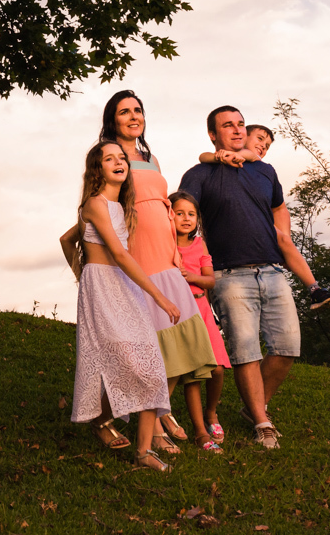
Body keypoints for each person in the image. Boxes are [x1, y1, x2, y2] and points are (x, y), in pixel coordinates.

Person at [96, 90, 221, 456]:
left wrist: (177, 250)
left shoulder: (150, 157)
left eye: (138, 110)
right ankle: (120, 422)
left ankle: (158, 414)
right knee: (144, 343)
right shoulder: (110, 155)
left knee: (176, 340)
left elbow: (164, 206)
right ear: (112, 119)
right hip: (137, 251)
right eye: (124, 112)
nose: (134, 116)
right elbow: (105, 202)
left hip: (167, 254)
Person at [178, 106, 297, 450]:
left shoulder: (264, 170)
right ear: (213, 135)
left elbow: (278, 205)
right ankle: (263, 421)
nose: (237, 130)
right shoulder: (201, 173)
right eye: (227, 125)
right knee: (246, 351)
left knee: (287, 347)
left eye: (241, 124)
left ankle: (252, 406)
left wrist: (284, 234)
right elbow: (182, 210)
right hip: (228, 274)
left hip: (273, 269)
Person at [58, 141, 180, 472]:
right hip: (103, 287)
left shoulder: (124, 209)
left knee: (151, 363)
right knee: (120, 359)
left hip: (125, 287)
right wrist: (83, 273)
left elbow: (68, 238)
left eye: (122, 157)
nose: (119, 162)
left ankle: (143, 453)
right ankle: (101, 421)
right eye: (108, 158)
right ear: (97, 170)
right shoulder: (95, 203)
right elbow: (120, 254)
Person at [199, 124, 330, 310]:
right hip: (227, 234)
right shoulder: (219, 165)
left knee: (283, 239)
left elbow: (279, 207)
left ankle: (314, 289)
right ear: (242, 137)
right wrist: (218, 156)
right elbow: (202, 157)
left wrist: (283, 238)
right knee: (203, 261)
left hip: (257, 226)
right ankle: (207, 312)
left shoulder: (259, 167)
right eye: (260, 139)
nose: (263, 146)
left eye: (267, 145)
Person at [170, 190, 230, 447]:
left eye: (191, 214)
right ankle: (200, 433)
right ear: (168, 216)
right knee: (194, 373)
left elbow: (210, 281)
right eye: (179, 213)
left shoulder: (199, 244)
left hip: (202, 309)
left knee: (216, 368)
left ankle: (211, 412)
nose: (186, 218)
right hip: (179, 313)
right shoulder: (165, 245)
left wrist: (190, 277)